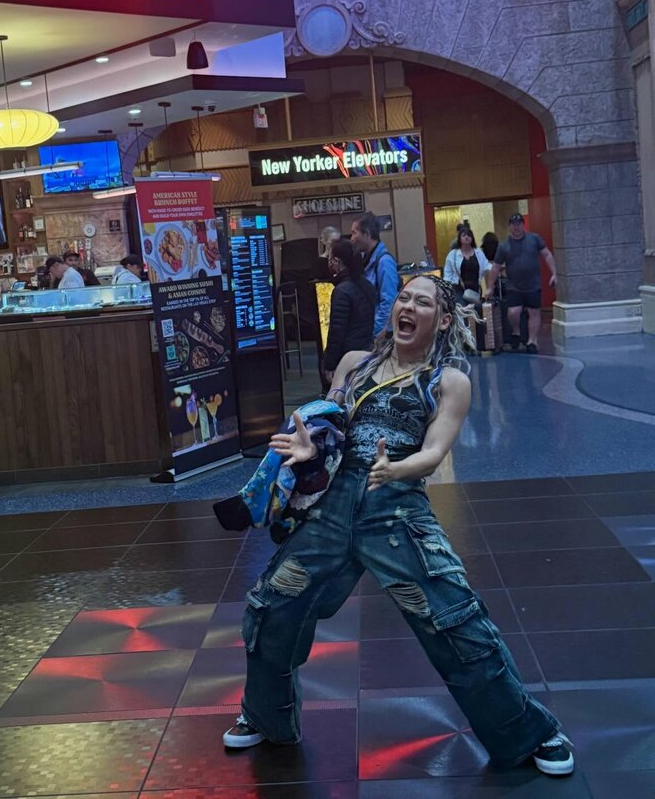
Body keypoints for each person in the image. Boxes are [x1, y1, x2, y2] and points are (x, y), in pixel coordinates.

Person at [222, 274, 574, 778]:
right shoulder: (355, 363)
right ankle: (265, 716)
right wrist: (309, 448)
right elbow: (328, 424)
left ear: (443, 320)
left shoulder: (449, 381)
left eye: (422, 302)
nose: (407, 306)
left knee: (455, 620)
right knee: (272, 608)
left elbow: (434, 451)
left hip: (396, 511)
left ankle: (529, 733)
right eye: (404, 298)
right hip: (330, 509)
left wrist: (396, 469)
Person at [485, 214, 556, 354]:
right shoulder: (504, 246)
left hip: (533, 284)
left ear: (523, 225)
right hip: (514, 285)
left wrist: (554, 273)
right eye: (513, 224)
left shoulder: (534, 239)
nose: (516, 227)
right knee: (513, 312)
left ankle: (531, 341)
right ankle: (516, 331)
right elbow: (495, 267)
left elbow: (547, 255)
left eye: (519, 224)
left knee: (534, 312)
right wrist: (489, 287)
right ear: (509, 226)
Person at [322, 238, 376, 380]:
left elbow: (337, 332)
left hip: (347, 357)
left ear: (336, 261)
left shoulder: (341, 291)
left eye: (330, 258)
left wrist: (330, 364)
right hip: (367, 351)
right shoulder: (367, 284)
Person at [350, 211, 399, 337]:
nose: (352, 239)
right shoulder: (365, 259)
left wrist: (374, 333)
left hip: (381, 335)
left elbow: (389, 302)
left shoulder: (384, 262)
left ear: (366, 234)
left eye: (354, 233)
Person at [443, 225, 491, 303]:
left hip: (475, 289)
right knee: (462, 309)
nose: (466, 237)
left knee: (476, 309)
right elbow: (447, 275)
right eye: (464, 235)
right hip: (458, 289)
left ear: (472, 238)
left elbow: (487, 267)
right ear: (459, 238)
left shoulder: (479, 253)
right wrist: (447, 291)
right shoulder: (453, 254)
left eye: (469, 235)